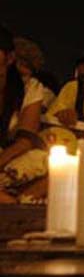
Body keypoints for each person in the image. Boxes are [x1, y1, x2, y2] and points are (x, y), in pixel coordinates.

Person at [0, 26, 45, 204]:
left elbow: (25, 140)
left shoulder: (30, 88)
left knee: (43, 161)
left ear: (9, 58)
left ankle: (18, 202)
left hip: (8, 159)